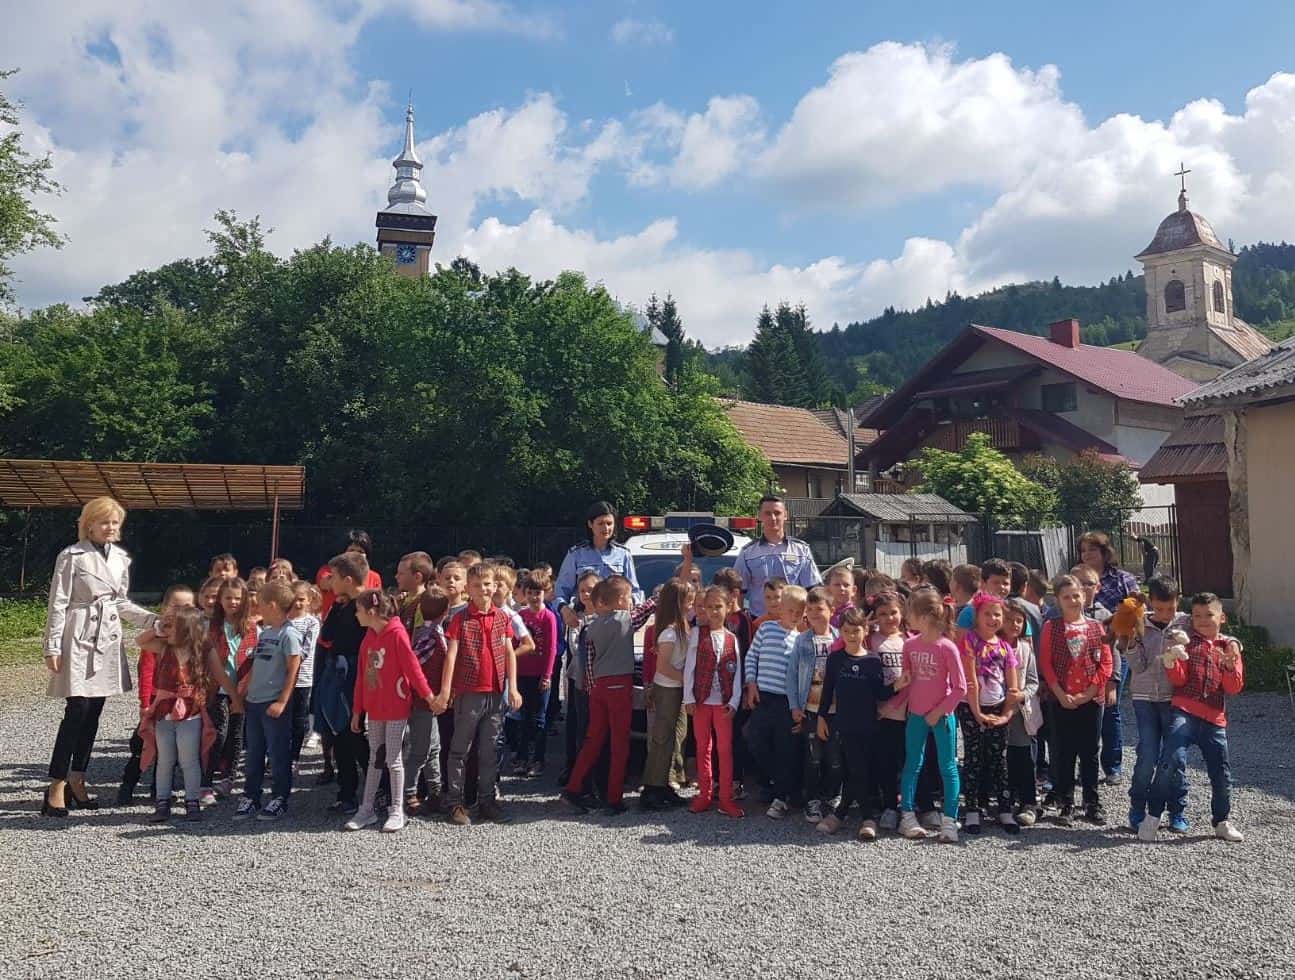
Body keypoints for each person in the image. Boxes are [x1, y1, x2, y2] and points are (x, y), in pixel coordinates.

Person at [42, 496, 162, 818]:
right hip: (78, 634)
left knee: (94, 711)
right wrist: (52, 646)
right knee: (77, 709)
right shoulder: (71, 556)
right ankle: (56, 784)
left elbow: (120, 602)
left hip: (107, 637)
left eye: (115, 522)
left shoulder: (121, 559)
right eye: (104, 521)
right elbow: (58, 602)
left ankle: (77, 778)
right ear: (89, 524)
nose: (110, 527)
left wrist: (152, 621)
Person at [1143, 592, 1244, 843]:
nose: (1203, 620)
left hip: (1215, 719)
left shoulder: (1228, 648)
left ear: (1222, 617)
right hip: (1185, 712)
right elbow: (1178, 680)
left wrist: (1229, 667)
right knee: (1169, 761)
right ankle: (1153, 816)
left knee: (1221, 773)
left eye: (1209, 615)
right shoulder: (1187, 642)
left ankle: (1221, 820)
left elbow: (1233, 688)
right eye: (1197, 616)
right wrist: (1171, 662)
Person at [559, 574, 660, 816]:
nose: (631, 601)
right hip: (619, 685)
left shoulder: (591, 626)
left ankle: (573, 787)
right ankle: (614, 798)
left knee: (593, 740)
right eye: (628, 597)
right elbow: (647, 608)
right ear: (621, 600)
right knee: (619, 743)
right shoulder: (624, 619)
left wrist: (591, 687)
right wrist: (660, 595)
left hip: (598, 688)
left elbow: (588, 662)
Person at [434, 562, 522, 826]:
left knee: (489, 750)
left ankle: (487, 801)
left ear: (495, 586)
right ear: (468, 590)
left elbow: (509, 653)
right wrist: (446, 690)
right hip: (469, 693)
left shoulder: (502, 617)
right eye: (477, 585)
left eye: (487, 584)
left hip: (495, 692)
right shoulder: (460, 619)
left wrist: (513, 687)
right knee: (460, 749)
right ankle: (455, 801)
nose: (483, 589)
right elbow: (451, 655)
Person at [138, 606, 242, 822]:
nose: (167, 629)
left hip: (191, 711)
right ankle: (163, 802)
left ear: (185, 629)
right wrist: (159, 627)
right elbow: (140, 641)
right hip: (165, 711)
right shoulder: (164, 646)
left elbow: (220, 675)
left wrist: (235, 698)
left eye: (172, 626)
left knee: (189, 759)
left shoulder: (203, 649)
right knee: (165, 759)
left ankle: (192, 800)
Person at [345, 589, 436, 833]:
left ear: (371, 612)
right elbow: (362, 677)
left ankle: (397, 809)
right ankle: (367, 809)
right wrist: (357, 710)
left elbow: (413, 669)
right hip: (375, 708)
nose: (356, 615)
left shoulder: (397, 634)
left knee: (393, 759)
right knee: (375, 757)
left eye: (358, 610)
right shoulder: (368, 637)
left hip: (396, 707)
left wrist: (429, 697)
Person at [816, 608, 900, 840]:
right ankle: (857, 815)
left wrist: (898, 685)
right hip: (844, 725)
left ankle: (854, 815)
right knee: (850, 770)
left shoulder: (873, 660)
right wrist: (821, 717)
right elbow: (827, 691)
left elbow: (880, 693)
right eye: (846, 631)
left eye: (856, 631)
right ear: (841, 632)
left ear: (865, 631)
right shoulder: (835, 659)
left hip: (868, 726)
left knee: (860, 770)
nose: (851, 636)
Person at [1038, 574, 1112, 826]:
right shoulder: (1052, 627)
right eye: (1066, 597)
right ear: (1058, 600)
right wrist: (1060, 694)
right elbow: (1046, 663)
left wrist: (1089, 693)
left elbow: (1105, 662)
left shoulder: (1096, 627)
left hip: (1090, 699)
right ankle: (1066, 801)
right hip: (1062, 698)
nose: (1072, 601)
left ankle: (1091, 800)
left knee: (1090, 751)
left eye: (1076, 595)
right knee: (1064, 751)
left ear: (1084, 595)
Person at [895, 587, 966, 843]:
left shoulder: (947, 647)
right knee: (912, 764)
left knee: (948, 767)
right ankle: (907, 816)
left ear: (924, 616)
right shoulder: (909, 645)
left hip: (942, 717)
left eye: (910, 611)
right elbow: (907, 683)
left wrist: (939, 711)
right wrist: (894, 698)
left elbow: (960, 688)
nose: (906, 616)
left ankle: (949, 820)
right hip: (916, 715)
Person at [117, 585, 196, 805]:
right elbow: (146, 672)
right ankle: (127, 786)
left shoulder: (194, 638)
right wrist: (144, 704)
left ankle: (158, 788)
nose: (180, 612)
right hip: (156, 702)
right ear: (164, 608)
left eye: (186, 607)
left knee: (169, 748)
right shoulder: (158, 641)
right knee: (142, 745)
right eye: (175, 607)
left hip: (181, 704)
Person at [1124, 575, 1190, 835]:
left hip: (1176, 698)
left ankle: (1177, 810)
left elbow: (1213, 633)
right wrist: (1131, 642)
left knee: (1176, 757)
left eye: (1170, 608)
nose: (1165, 615)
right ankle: (1138, 807)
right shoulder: (1139, 623)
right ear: (1150, 602)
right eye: (1160, 609)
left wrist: (1232, 643)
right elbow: (1137, 666)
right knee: (1148, 754)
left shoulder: (1185, 622)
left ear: (1178, 601)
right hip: (1145, 699)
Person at [234, 581, 303, 822]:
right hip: (254, 702)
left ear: (272, 605)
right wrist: (243, 693)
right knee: (254, 752)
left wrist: (282, 701)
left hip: (273, 703)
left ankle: (280, 797)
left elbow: (293, 668)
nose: (258, 607)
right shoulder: (266, 633)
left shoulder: (289, 634)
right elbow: (257, 665)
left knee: (277, 752)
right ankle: (251, 796)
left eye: (260, 603)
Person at [957, 592, 1021, 835]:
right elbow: (971, 681)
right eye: (987, 614)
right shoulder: (970, 641)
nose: (993, 619)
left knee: (998, 760)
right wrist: (977, 714)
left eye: (997, 614)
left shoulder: (1004, 646)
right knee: (973, 758)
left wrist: (1006, 714)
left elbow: (1013, 687)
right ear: (977, 616)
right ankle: (972, 808)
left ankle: (1004, 808)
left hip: (997, 706)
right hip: (971, 707)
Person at [315, 551, 371, 813]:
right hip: (338, 675)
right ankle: (346, 793)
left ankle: (380, 788)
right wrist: (337, 606)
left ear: (348, 580)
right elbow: (326, 636)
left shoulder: (369, 604)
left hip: (356, 677)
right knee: (339, 733)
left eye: (334, 577)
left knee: (354, 733)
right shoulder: (341, 605)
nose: (330, 581)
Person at [744, 584, 806, 819]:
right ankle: (781, 783)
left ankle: (781, 798)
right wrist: (751, 683)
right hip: (764, 696)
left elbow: (802, 676)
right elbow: (752, 656)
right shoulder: (766, 629)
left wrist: (798, 707)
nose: (794, 616)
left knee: (785, 748)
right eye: (790, 610)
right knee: (755, 739)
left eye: (799, 612)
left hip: (786, 702)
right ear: (781, 608)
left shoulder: (800, 640)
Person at [682, 585, 744, 818]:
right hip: (701, 701)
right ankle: (704, 794)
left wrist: (735, 701)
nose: (714, 611)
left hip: (723, 703)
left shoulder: (732, 638)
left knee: (724, 750)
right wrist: (688, 697)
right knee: (703, 748)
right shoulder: (697, 633)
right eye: (709, 607)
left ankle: (726, 797)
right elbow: (690, 667)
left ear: (728, 608)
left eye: (718, 606)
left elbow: (737, 672)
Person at [786, 586, 839, 827]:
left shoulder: (839, 638)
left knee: (835, 757)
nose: (815, 614)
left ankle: (833, 795)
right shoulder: (802, 640)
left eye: (820, 609)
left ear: (831, 610)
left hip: (836, 710)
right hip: (810, 708)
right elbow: (791, 674)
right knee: (813, 757)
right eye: (810, 609)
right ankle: (812, 799)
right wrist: (794, 705)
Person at [640, 578, 693, 811]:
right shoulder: (670, 633)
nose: (691, 606)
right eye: (688, 602)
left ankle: (665, 783)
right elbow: (663, 667)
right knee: (662, 739)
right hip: (668, 690)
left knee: (675, 737)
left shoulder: (680, 628)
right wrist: (686, 680)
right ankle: (652, 788)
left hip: (676, 689)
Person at [205, 577, 258, 799]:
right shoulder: (212, 627)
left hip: (242, 689)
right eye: (228, 598)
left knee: (236, 735)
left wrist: (241, 694)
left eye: (237, 598)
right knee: (218, 734)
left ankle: (229, 778)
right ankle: (206, 781)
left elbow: (253, 663)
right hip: (218, 689)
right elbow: (213, 664)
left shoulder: (252, 628)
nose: (233, 602)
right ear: (220, 600)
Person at [554, 501, 642, 629]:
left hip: (615, 622)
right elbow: (560, 591)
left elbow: (635, 591)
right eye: (600, 523)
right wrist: (565, 610)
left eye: (609, 523)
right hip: (582, 621)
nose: (606, 528)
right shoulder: (576, 554)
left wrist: (631, 602)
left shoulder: (623, 554)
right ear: (590, 524)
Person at [866, 589, 910, 834]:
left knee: (908, 760)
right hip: (882, 713)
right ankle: (889, 806)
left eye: (893, 612)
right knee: (886, 762)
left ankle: (909, 805)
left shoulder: (908, 640)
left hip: (907, 710)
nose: (889, 618)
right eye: (883, 614)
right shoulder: (871, 641)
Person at [734, 495, 821, 618]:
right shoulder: (748, 553)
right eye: (767, 513)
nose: (773, 518)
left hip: (794, 621)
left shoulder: (801, 550)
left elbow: (813, 589)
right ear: (759, 516)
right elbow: (738, 592)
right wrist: (741, 622)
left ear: (785, 515)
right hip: (759, 621)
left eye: (777, 513)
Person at [405, 587, 451, 815]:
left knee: (434, 748)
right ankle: (409, 794)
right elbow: (414, 665)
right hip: (423, 702)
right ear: (446, 610)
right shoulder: (429, 636)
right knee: (420, 750)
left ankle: (435, 792)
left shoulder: (434, 631)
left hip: (428, 703)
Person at [1001, 599, 1042, 826]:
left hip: (1021, 711)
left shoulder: (1026, 649)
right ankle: (1004, 800)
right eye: (1009, 620)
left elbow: (1034, 681)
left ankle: (1028, 802)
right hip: (998, 709)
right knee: (1002, 758)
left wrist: (1022, 694)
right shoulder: (993, 646)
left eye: (1019, 621)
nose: (1014, 624)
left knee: (1024, 757)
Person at [516, 573, 559, 776]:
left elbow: (551, 649)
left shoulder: (548, 617)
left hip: (540, 675)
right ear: (525, 594)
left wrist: (547, 675)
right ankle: (522, 757)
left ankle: (538, 760)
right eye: (530, 593)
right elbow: (515, 643)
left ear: (545, 593)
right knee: (524, 717)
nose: (534, 597)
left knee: (539, 718)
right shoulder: (521, 616)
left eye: (538, 593)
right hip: (522, 673)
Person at [287, 581, 321, 766]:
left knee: (299, 719)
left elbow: (306, 649)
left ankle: (294, 756)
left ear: (309, 600)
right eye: (294, 599)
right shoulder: (283, 619)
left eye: (301, 599)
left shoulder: (311, 622)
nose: (297, 603)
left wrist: (290, 660)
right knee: (282, 719)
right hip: (281, 678)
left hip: (302, 679)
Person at [317, 530, 382, 619]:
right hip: (334, 622)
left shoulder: (374, 576)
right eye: (351, 550)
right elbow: (324, 584)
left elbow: (376, 602)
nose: (355, 554)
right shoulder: (328, 570)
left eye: (360, 551)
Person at [395, 551, 435, 631]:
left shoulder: (424, 604)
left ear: (417, 577)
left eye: (401, 573)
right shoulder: (402, 600)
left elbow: (418, 634)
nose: (396, 576)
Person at [825, 563, 857, 628]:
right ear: (828, 590)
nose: (842, 588)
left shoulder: (856, 615)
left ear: (853, 590)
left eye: (846, 585)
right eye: (837, 585)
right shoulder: (822, 612)